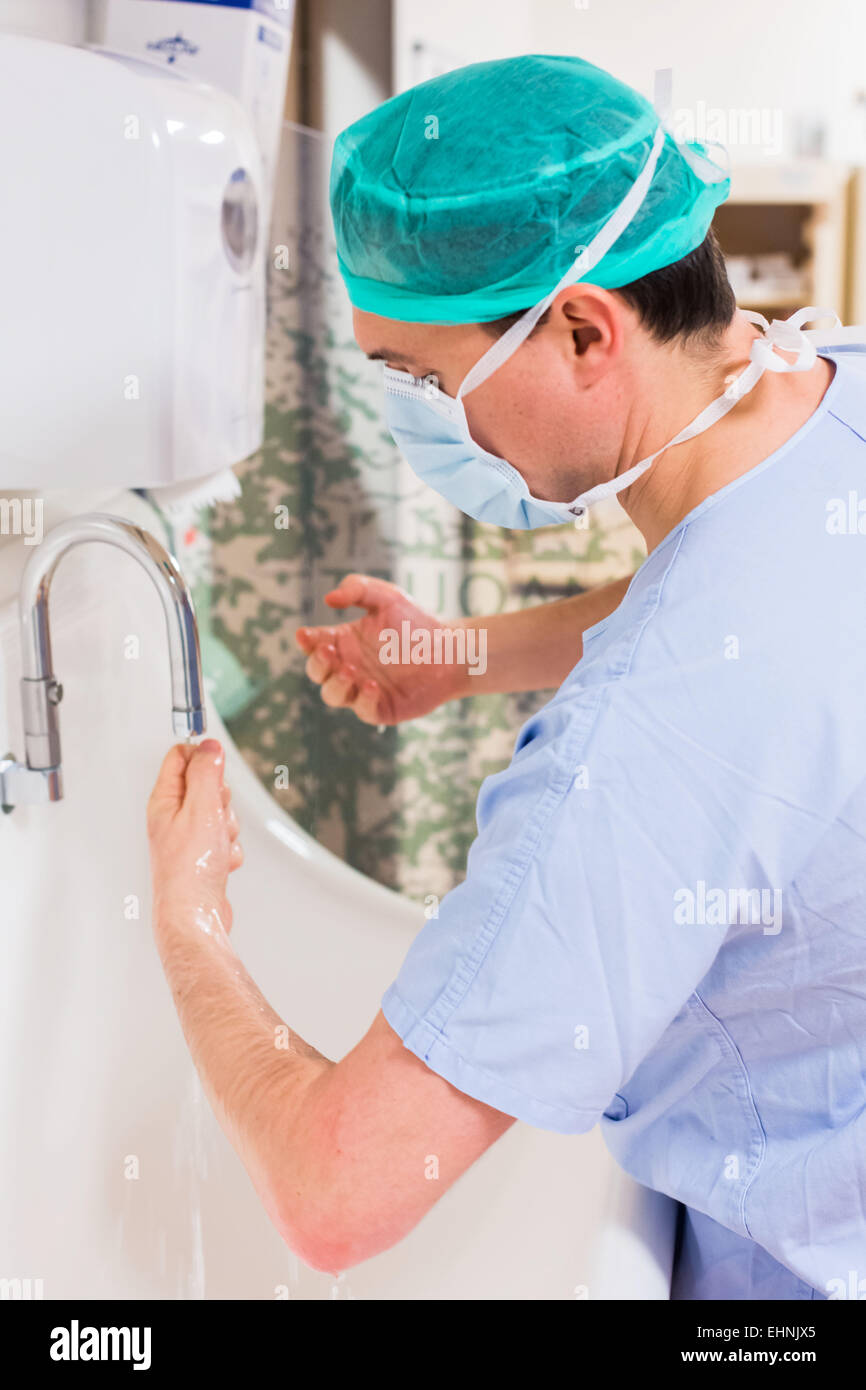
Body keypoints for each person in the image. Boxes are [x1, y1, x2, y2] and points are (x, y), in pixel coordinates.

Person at [147, 54, 866, 1299]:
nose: (423, 425)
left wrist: (187, 926)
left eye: (425, 380)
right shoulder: (830, 393)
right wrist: (459, 655)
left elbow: (335, 1195)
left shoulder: (632, 753)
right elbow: (741, 598)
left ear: (585, 327)